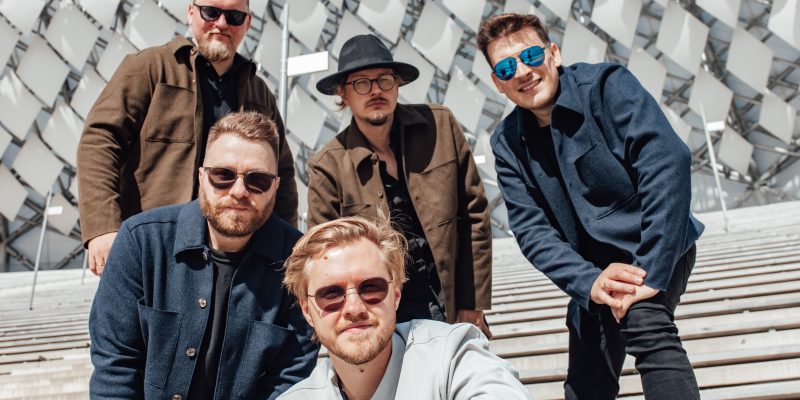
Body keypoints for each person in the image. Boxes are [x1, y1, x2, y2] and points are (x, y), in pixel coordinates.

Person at [477, 13, 705, 399]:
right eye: (506, 68)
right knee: (587, 377)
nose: (523, 72)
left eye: (531, 56)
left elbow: (667, 162)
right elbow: (531, 230)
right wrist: (590, 282)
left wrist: (650, 271)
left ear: (554, 54)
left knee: (646, 322)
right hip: (595, 272)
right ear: (498, 82)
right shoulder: (506, 143)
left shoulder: (606, 87)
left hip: (653, 244)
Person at [89, 112, 318, 400]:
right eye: (223, 175)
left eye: (257, 180)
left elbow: (290, 380)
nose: (239, 191)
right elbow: (115, 370)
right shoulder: (141, 242)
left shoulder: (299, 262)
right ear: (201, 176)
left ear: (275, 185)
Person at [77, 0, 298, 276]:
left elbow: (281, 171)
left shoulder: (259, 91)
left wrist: (285, 248)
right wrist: (102, 227)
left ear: (248, 23)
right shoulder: (149, 67)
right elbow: (100, 140)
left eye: (234, 16)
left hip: (238, 256)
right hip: (155, 249)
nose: (221, 23)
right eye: (211, 12)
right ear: (191, 12)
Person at [308, 34, 493, 337]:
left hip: (452, 305)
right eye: (361, 83)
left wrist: (472, 303)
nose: (376, 90)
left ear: (397, 84)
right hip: (383, 320)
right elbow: (324, 256)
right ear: (343, 93)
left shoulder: (441, 127)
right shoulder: (327, 167)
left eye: (384, 80)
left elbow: (475, 216)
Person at [279, 215, 530, 399]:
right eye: (331, 294)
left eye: (371, 287)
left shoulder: (452, 356)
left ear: (396, 295)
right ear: (307, 311)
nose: (354, 308)